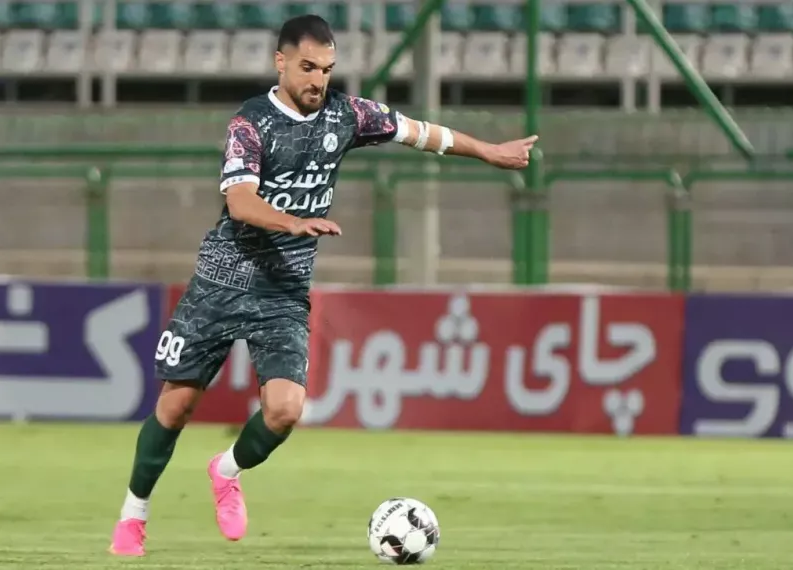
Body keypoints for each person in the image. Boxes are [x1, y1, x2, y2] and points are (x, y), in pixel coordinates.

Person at [109, 14, 538, 557]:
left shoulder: (346, 114)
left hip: (283, 290)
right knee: (175, 408)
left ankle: (226, 470)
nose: (318, 80)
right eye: (308, 67)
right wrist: (291, 222)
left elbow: (422, 133)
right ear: (281, 62)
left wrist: (490, 152)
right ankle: (133, 516)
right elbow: (239, 201)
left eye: (327, 69)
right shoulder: (251, 123)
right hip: (222, 280)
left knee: (286, 410)